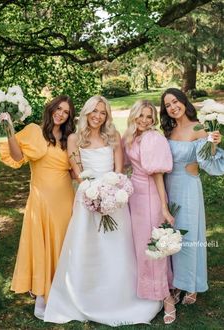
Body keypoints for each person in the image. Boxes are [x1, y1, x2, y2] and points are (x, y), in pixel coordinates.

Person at [43, 95, 162, 326]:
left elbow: (118, 170)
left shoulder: (113, 136)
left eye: (103, 112)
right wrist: (93, 193)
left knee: (117, 249)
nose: (98, 116)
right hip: (87, 198)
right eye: (94, 111)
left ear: (107, 115)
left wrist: (111, 194)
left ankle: (120, 298)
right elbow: (77, 172)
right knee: (87, 250)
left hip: (114, 197)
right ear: (86, 112)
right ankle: (83, 297)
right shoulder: (74, 138)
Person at [0, 95, 76, 314]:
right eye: (58, 109)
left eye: (66, 111)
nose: (61, 114)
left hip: (64, 198)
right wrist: (10, 130)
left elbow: (74, 169)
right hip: (41, 199)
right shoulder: (34, 131)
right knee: (42, 244)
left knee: (63, 242)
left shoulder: (68, 138)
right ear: (51, 109)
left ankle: (64, 290)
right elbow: (17, 156)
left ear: (70, 116)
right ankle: (42, 294)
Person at [160, 88, 224, 306]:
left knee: (189, 237)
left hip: (188, 188)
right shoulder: (167, 131)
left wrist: (213, 143)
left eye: (175, 101)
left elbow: (207, 161)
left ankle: (192, 283)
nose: (173, 107)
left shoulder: (199, 127)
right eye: (168, 105)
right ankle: (177, 281)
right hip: (168, 188)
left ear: (184, 102)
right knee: (172, 237)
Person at [123, 100, 176, 324]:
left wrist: (164, 206)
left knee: (155, 246)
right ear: (134, 116)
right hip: (135, 197)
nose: (145, 120)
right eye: (141, 116)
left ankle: (167, 298)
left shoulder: (153, 138)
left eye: (149, 116)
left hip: (151, 196)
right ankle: (148, 292)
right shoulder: (130, 136)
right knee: (140, 246)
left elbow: (157, 175)